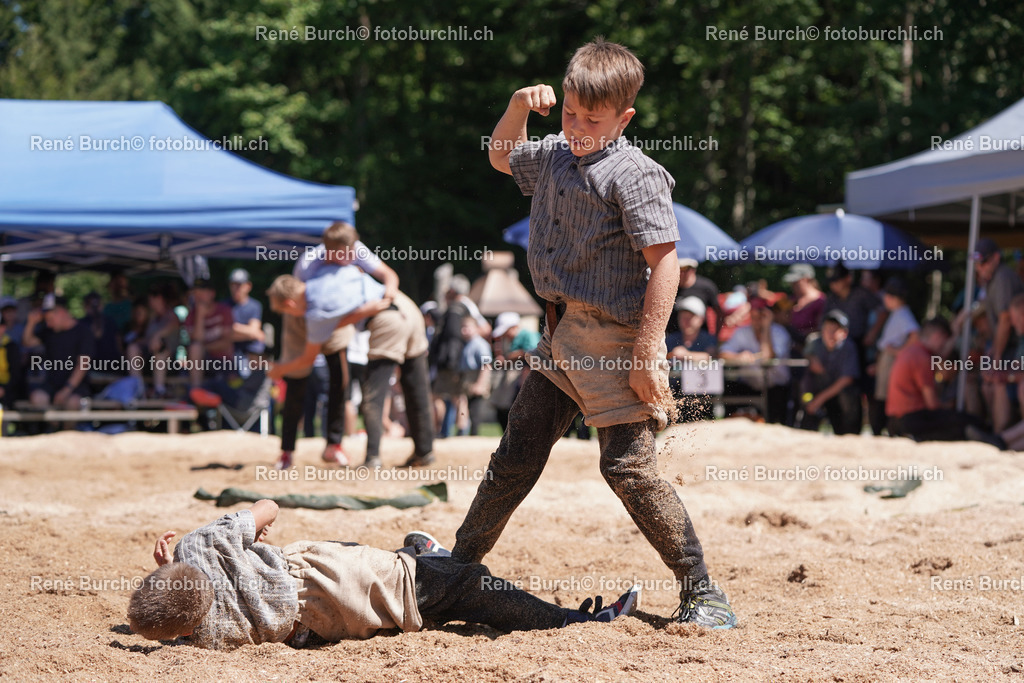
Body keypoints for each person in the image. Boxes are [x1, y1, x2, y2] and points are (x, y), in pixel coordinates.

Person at [454, 39, 737, 629]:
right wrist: (515, 105)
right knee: (517, 451)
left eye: (593, 119)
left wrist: (648, 350)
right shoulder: (556, 153)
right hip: (560, 335)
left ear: (624, 118)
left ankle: (704, 592)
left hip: (614, 339)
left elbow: (666, 262)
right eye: (570, 113)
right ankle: (458, 569)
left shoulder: (636, 175)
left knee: (627, 469)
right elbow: (502, 156)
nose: (577, 127)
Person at [127, 501, 642, 650]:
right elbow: (268, 507)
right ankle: (576, 622)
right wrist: (186, 556)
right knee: (466, 587)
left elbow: (186, 617)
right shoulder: (198, 545)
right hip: (335, 572)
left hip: (321, 628)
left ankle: (422, 550)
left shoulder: (208, 640)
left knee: (416, 568)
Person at [267, 270, 434, 469]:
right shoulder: (329, 277)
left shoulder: (314, 309)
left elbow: (308, 358)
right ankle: (425, 452)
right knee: (416, 387)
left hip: (387, 319)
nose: (294, 318)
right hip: (407, 307)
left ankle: (373, 458)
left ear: (289, 304)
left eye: (287, 313)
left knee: (373, 395)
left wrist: (279, 369)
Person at [886, 317, 1005, 447]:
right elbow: (932, 404)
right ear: (938, 336)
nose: (943, 346)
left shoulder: (912, 351)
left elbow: (940, 357)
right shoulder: (921, 357)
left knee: (960, 420)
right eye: (944, 341)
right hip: (912, 418)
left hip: (898, 419)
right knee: (966, 422)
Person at [974, 238, 1024, 432]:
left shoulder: (1003, 278)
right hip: (1008, 349)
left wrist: (995, 358)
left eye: (983, 262)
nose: (979, 267)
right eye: (977, 263)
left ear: (996, 258)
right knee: (990, 383)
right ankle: (999, 432)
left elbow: (1004, 321)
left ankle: (1001, 434)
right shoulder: (993, 279)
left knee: (997, 382)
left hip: (1011, 348)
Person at [22, 294, 95, 410]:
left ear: (61, 312)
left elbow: (83, 364)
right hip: (52, 384)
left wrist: (67, 389)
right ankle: (52, 426)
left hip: (76, 386)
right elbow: (27, 342)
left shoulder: (84, 332)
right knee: (37, 398)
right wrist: (31, 322)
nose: (48, 324)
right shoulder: (49, 331)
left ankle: (67, 428)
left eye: (50, 319)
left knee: (72, 403)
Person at [799, 310, 861, 435]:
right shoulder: (814, 343)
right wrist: (810, 359)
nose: (830, 333)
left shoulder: (848, 347)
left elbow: (847, 379)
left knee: (848, 397)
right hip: (816, 391)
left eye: (835, 329)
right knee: (805, 396)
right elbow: (805, 355)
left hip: (837, 395)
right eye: (827, 328)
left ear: (844, 333)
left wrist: (819, 400)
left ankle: (849, 435)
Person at [871, 277, 919, 433]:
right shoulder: (897, 313)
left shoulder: (903, 314)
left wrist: (899, 352)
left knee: (885, 398)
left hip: (892, 360)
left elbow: (915, 336)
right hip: (888, 358)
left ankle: (884, 430)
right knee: (881, 397)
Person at [665, 296, 717, 421]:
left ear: (701, 319)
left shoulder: (708, 339)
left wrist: (685, 355)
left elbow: (712, 356)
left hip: (702, 391)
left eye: (690, 317)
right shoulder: (671, 339)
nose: (686, 321)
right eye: (683, 317)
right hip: (675, 390)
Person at [126, 284, 180, 398]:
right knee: (133, 348)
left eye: (151, 298)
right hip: (150, 360)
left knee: (159, 351)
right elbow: (147, 340)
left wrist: (157, 336)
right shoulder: (153, 318)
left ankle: (159, 390)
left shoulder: (172, 316)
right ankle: (137, 388)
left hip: (169, 363)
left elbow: (173, 325)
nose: (149, 302)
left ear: (159, 298)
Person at [490, 312, 540, 431]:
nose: (504, 335)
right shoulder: (512, 340)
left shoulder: (528, 335)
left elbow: (531, 354)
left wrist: (507, 358)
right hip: (513, 379)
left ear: (513, 327)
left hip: (523, 379)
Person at [185, 279, 235, 388]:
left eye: (201, 292)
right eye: (195, 293)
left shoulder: (224, 310)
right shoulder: (191, 315)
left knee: (197, 349)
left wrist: (204, 348)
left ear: (212, 293)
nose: (198, 296)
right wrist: (200, 315)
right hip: (201, 362)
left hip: (223, 361)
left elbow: (226, 343)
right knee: (195, 349)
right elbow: (196, 341)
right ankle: (196, 391)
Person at [670, 258, 723, 337]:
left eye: (686, 269)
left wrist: (716, 336)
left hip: (701, 338)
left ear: (693, 269)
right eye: (679, 268)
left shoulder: (706, 286)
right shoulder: (669, 287)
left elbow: (719, 313)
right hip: (673, 337)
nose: (682, 272)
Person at [459, 315, 492, 436]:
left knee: (475, 411)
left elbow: (486, 365)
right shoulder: (467, 344)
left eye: (467, 327)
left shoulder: (480, 344)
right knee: (466, 410)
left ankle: (474, 435)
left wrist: (480, 384)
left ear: (476, 328)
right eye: (462, 328)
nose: (464, 330)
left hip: (476, 378)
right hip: (467, 379)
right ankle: (465, 433)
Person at [228, 268, 266, 360]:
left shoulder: (255, 305)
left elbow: (254, 330)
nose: (235, 288)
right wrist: (251, 333)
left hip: (249, 350)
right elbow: (224, 333)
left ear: (248, 286)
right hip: (229, 350)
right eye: (233, 284)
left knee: (258, 347)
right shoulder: (224, 306)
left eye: (239, 285)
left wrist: (233, 329)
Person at [0, 297, 23, 407]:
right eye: (6, 311)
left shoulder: (11, 346)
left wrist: (4, 389)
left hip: (7, 389)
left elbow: (15, 374)